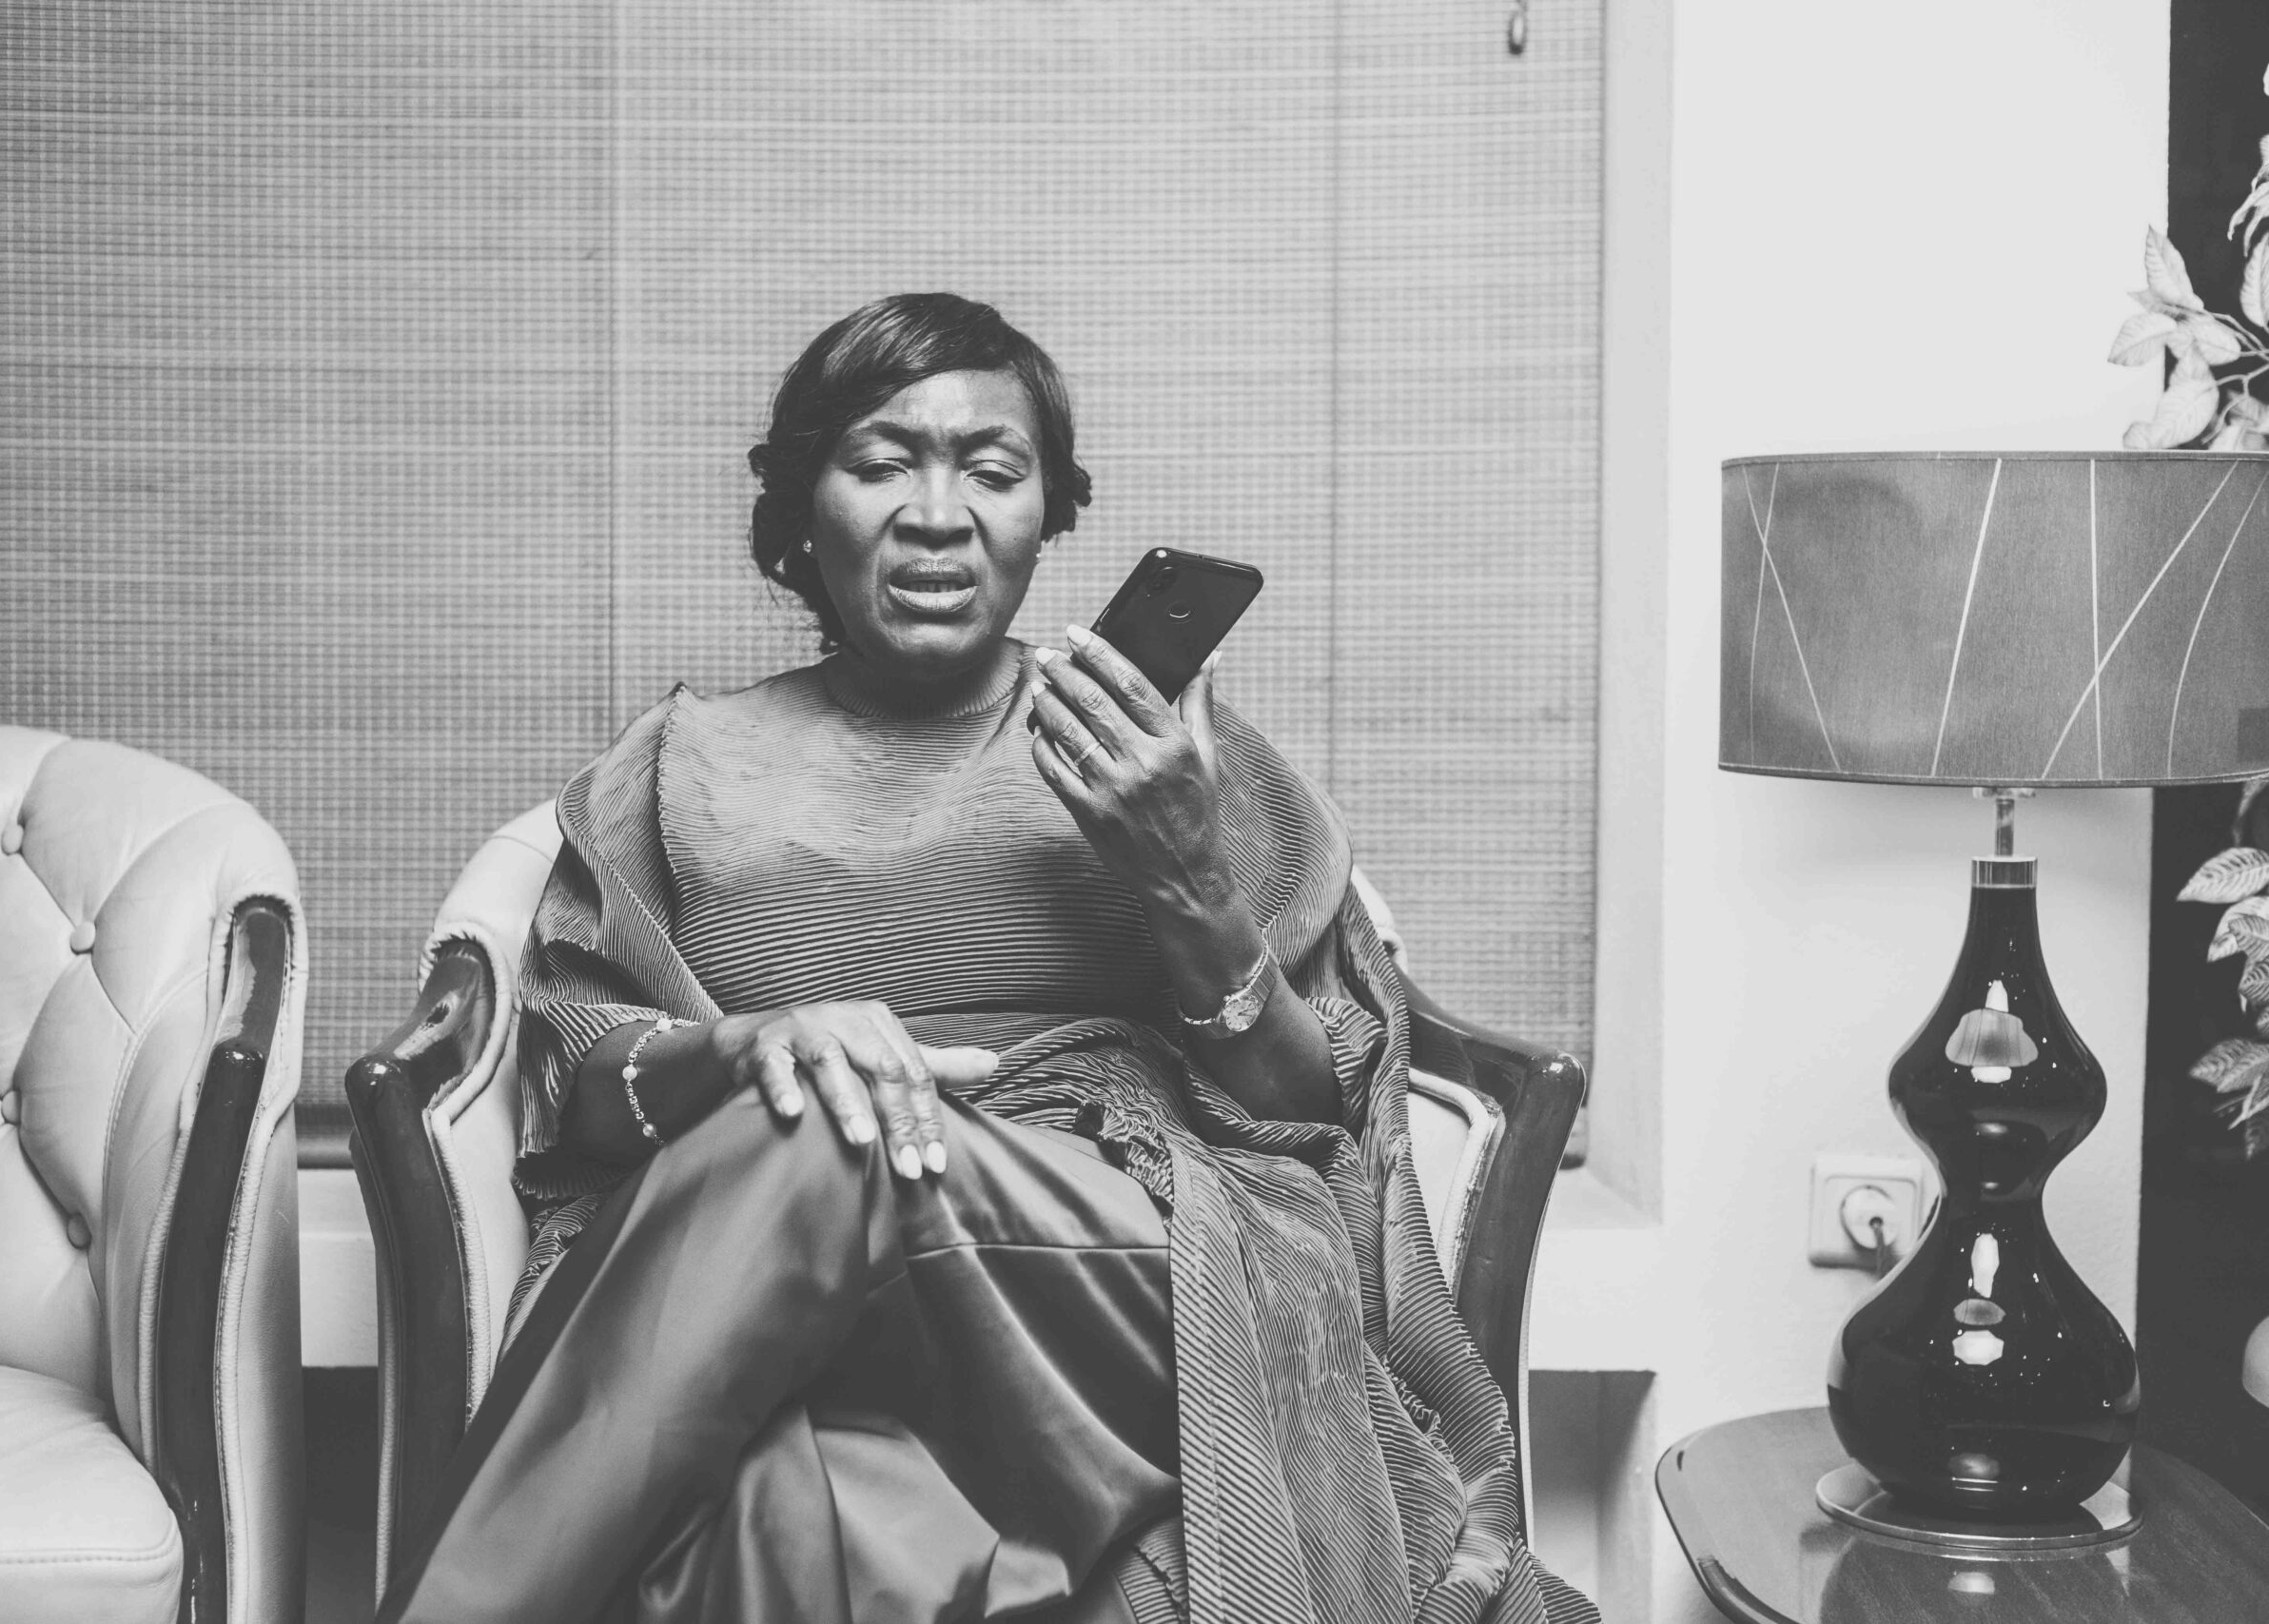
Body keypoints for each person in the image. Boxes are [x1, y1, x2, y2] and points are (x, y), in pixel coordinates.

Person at [370, 293, 1595, 1624]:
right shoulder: (677, 769)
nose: (938, 514)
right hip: (808, 1291)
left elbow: (1320, 1113)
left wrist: (1185, 871)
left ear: (1046, 514)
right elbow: (583, 1102)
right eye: (882, 462)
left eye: (992, 472)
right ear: (802, 509)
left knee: (834, 1126)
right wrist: (747, 1044)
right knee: (775, 1496)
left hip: (1147, 1280)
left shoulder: (1159, 756)